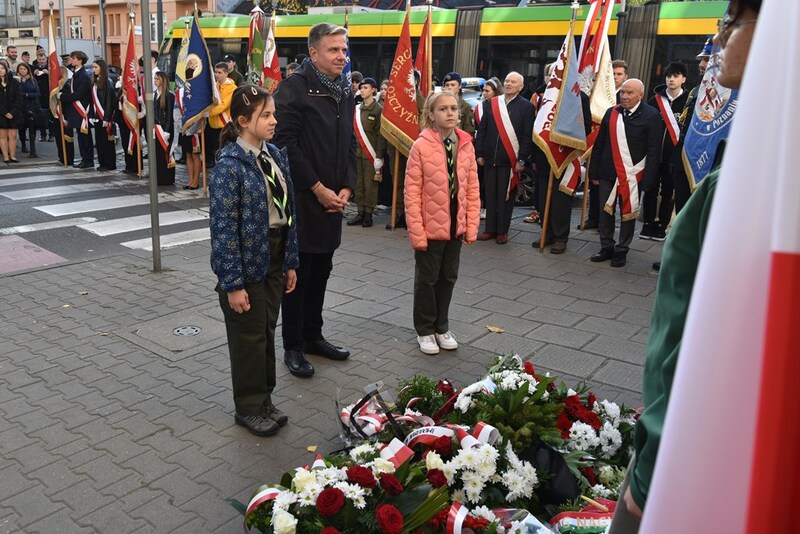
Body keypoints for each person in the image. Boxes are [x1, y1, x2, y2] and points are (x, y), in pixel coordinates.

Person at [608, 1, 761, 531]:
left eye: (731, 21)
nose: (716, 41)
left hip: (693, 463)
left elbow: (694, 338)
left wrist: (650, 473)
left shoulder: (751, 179)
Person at [209, 84, 299, 437]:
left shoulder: (273, 154)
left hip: (274, 258)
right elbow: (224, 229)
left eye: (274, 113)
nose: (274, 120)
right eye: (266, 115)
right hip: (246, 266)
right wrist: (233, 284)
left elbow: (288, 211)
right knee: (248, 338)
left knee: (265, 332)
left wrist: (290, 261)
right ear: (243, 121)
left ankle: (265, 399)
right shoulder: (230, 167)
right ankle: (248, 406)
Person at [273, 22, 356, 377]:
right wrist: (318, 188)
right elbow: (285, 145)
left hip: (333, 201)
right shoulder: (294, 89)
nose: (341, 56)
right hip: (305, 201)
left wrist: (347, 186)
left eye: (344, 49)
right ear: (313, 53)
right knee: (298, 276)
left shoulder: (344, 89)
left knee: (322, 270)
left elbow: (349, 141)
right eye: (334, 49)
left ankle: (313, 336)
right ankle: (293, 346)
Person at [405, 90, 480, 355]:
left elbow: (472, 188)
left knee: (448, 277)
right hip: (430, 226)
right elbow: (412, 193)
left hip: (454, 226)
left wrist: (470, 226)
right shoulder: (421, 146)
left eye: (453, 109)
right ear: (431, 115)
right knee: (427, 279)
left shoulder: (466, 144)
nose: (450, 113)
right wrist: (417, 232)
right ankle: (425, 330)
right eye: (443, 109)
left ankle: (441, 326)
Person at [589, 79, 662, 268]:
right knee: (605, 211)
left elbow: (654, 151)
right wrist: (594, 171)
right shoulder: (611, 113)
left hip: (633, 175)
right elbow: (600, 143)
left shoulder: (652, 115)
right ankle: (606, 246)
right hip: (607, 172)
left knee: (628, 213)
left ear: (640, 95)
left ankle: (622, 250)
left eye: (630, 93)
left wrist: (649, 180)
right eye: (623, 92)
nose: (625, 96)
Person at [474, 71, 535, 245]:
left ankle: (502, 231)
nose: (508, 84)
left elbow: (526, 136)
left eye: (513, 82)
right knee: (490, 195)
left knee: (506, 197)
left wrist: (522, 159)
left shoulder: (527, 107)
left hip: (510, 161)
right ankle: (489, 229)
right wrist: (479, 153)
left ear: (521, 86)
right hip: (489, 158)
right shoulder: (493, 103)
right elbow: (482, 130)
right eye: (506, 80)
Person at [532, 89, 593, 254]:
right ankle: (547, 233)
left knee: (561, 201)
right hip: (545, 158)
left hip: (566, 156)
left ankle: (560, 238)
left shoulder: (581, 97)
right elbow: (536, 127)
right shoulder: (547, 96)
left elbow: (586, 127)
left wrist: (565, 133)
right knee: (544, 199)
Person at [641, 61, 689, 242]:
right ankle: (647, 223)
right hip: (653, 155)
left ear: (683, 79)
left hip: (674, 157)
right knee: (651, 188)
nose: (671, 79)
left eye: (676, 76)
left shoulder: (688, 102)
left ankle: (662, 225)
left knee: (669, 191)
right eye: (669, 75)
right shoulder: (655, 100)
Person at [347, 77, 386, 228]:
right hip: (357, 153)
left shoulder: (378, 110)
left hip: (372, 154)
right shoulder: (357, 109)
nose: (362, 90)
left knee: (371, 185)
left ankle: (369, 213)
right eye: (361, 88)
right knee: (359, 185)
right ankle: (360, 211)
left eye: (366, 88)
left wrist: (379, 156)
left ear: (373, 90)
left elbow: (380, 136)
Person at [59, 51, 94, 169]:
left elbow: (78, 94)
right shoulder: (76, 73)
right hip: (77, 109)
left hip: (82, 110)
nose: (71, 60)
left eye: (73, 58)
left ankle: (88, 160)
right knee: (81, 136)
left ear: (80, 60)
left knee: (85, 137)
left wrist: (62, 96)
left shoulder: (83, 75)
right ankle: (85, 159)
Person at [176, 65, 202, 190]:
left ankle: (196, 181)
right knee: (187, 154)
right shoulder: (181, 91)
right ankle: (190, 180)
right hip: (184, 128)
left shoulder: (198, 91)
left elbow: (200, 112)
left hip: (195, 129)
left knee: (195, 155)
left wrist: (191, 129)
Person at [205, 62, 236, 166]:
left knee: (223, 150)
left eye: (220, 72)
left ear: (226, 73)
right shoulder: (214, 86)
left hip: (224, 124)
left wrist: (208, 112)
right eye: (216, 72)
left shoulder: (232, 88)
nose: (217, 74)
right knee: (214, 149)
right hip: (212, 123)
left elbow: (224, 105)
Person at [90, 59, 117, 171]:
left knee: (107, 143)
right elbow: (92, 101)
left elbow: (110, 101)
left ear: (102, 68)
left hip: (105, 117)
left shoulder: (107, 82)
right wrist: (92, 115)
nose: (94, 69)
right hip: (97, 117)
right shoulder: (95, 82)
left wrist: (107, 118)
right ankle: (102, 163)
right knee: (99, 142)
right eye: (93, 67)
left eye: (96, 67)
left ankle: (109, 164)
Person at [153, 71, 176, 186]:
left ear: (163, 80)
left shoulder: (169, 95)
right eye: (154, 79)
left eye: (157, 79)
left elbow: (170, 115)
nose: (155, 81)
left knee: (167, 153)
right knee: (158, 154)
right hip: (157, 127)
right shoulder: (154, 93)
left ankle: (168, 178)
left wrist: (166, 130)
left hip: (165, 129)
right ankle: (159, 177)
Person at [51, 66, 74, 166]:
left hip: (65, 115)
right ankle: (61, 157)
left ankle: (68, 159)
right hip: (57, 115)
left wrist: (62, 96)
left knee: (67, 138)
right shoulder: (56, 86)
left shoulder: (67, 85)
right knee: (59, 138)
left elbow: (70, 101)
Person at [16, 63, 40, 158]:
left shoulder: (32, 80)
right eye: (20, 69)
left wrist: (27, 95)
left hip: (32, 106)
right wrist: (21, 82)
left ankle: (32, 146)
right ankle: (23, 145)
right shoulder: (16, 80)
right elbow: (17, 93)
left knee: (32, 127)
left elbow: (37, 93)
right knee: (22, 127)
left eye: (24, 69)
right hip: (20, 107)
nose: (22, 71)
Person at [0, 61, 22, 163]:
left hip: (14, 113)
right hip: (1, 114)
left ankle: (13, 156)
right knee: (3, 136)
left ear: (6, 69)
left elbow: (19, 99)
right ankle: (6, 157)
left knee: (13, 136)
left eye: (2, 68)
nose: (1, 70)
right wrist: (4, 112)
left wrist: (12, 112)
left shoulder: (14, 83)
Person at [441, 71, 475, 136]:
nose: (449, 87)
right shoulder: (439, 105)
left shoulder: (466, 107)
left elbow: (469, 132)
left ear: (459, 86)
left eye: (453, 85)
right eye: (447, 85)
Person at [31, 50, 51, 142]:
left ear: (46, 59)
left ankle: (51, 134)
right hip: (39, 96)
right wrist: (33, 74)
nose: (42, 61)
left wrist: (48, 73)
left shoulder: (50, 68)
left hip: (49, 95)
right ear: (37, 59)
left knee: (50, 116)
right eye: (40, 59)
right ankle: (43, 135)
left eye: (43, 59)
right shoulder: (34, 68)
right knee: (41, 116)